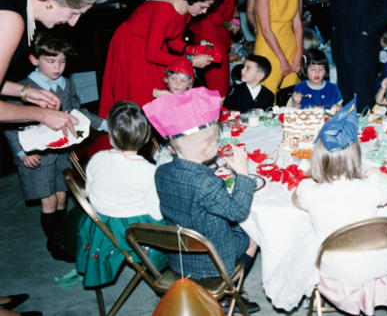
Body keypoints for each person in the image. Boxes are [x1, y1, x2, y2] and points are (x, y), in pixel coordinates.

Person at [264, 98, 387, 312]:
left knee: (295, 239)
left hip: (333, 265)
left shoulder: (309, 190)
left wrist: (308, 179)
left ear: (318, 159)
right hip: (372, 262)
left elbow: (295, 202)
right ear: (356, 158)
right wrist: (379, 175)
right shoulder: (370, 188)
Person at [146, 88, 260, 313]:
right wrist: (243, 174)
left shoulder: (161, 172)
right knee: (255, 233)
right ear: (207, 149)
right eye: (217, 141)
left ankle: (227, 291)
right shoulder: (205, 182)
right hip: (213, 259)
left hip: (178, 255)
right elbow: (237, 211)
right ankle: (230, 292)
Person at [4, 33, 108, 263]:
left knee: (62, 197)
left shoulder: (67, 84)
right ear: (34, 60)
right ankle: (55, 244)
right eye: (50, 61)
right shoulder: (22, 88)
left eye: (62, 61)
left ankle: (63, 237)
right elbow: (9, 124)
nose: (57, 67)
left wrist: (105, 124)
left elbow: (77, 113)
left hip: (61, 151)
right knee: (49, 201)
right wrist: (21, 153)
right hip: (36, 155)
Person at [0, 0, 110, 135]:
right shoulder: (11, 19)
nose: (73, 23)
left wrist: (25, 91)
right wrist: (43, 115)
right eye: (75, 12)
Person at [99, 0, 221, 115]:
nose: (204, 12)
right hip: (133, 45)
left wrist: (194, 50)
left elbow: (173, 41)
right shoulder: (164, 9)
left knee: (155, 93)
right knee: (139, 94)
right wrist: (191, 61)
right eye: (202, 7)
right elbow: (152, 54)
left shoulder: (187, 11)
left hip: (152, 46)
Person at [76, 101, 167, 288]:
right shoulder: (148, 171)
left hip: (100, 225)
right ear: (145, 137)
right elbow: (157, 214)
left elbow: (90, 192)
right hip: (134, 231)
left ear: (110, 134)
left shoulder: (97, 158)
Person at [254, 0, 308, 97]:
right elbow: (265, 30)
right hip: (269, 51)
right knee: (267, 100)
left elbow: (297, 24)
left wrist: (298, 54)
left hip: (290, 50)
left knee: (291, 99)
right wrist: (282, 59)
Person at [190, 0, 238, 97]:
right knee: (219, 89)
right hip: (213, 38)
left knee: (206, 85)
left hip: (202, 34)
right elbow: (216, 18)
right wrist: (232, 26)